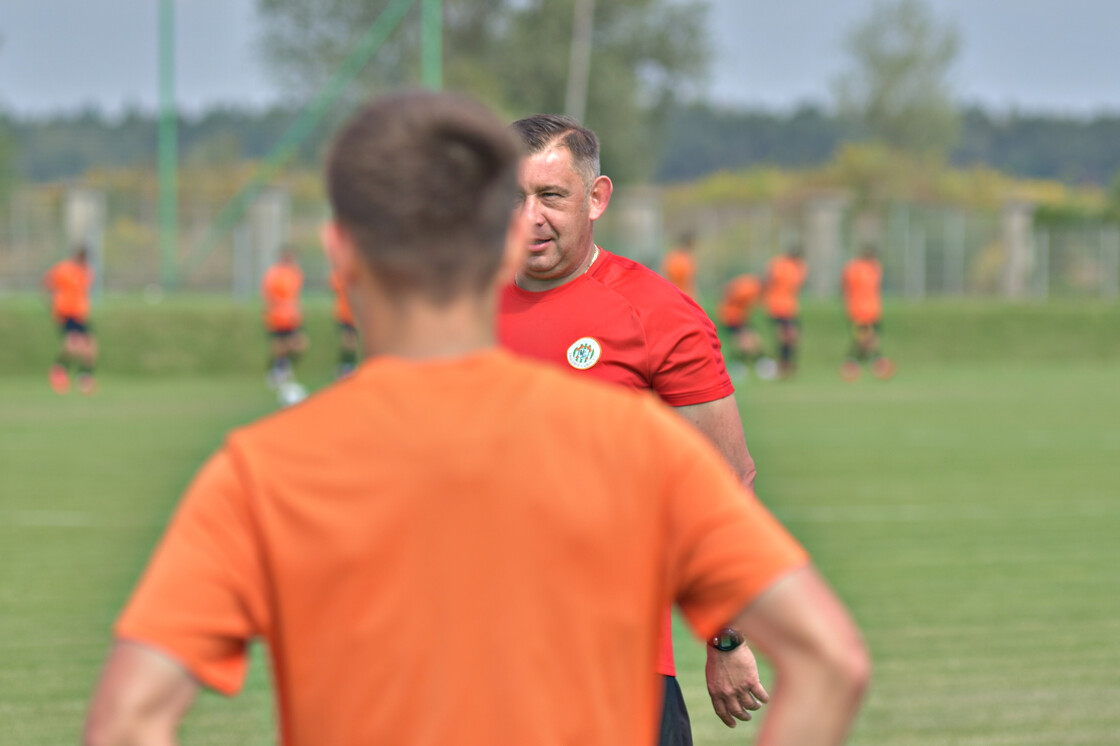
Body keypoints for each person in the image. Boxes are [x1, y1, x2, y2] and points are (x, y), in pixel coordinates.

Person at [85, 91, 868, 746]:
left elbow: (129, 719)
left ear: (338, 250)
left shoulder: (268, 468)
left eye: (549, 199)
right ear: (493, 247)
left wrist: (725, 642)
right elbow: (830, 661)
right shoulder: (630, 447)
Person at [500, 114, 763, 744]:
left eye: (551, 196)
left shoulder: (658, 316)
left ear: (596, 198)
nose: (529, 216)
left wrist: (725, 634)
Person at [42, 245, 98, 395]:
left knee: (91, 346)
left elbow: (84, 292)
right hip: (66, 312)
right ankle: (58, 371)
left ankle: (84, 377)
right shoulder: (63, 269)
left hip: (80, 314)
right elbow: (47, 284)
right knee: (74, 344)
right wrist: (51, 303)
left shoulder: (87, 272)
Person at [841, 244, 894, 381]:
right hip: (860, 311)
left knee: (869, 341)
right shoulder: (854, 268)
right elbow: (846, 287)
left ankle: (857, 364)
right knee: (865, 341)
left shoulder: (875, 268)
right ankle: (865, 364)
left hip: (873, 311)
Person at [261, 246, 308, 387]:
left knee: (299, 344)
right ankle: (277, 371)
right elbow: (269, 295)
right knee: (280, 345)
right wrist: (279, 307)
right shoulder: (273, 273)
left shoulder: (296, 273)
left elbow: (295, 294)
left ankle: (283, 367)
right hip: (277, 317)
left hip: (292, 317)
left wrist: (298, 308)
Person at [716, 273, 774, 380]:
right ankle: (738, 365)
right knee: (744, 341)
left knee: (752, 338)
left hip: (740, 316)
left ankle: (756, 362)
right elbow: (730, 292)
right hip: (731, 316)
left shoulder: (754, 287)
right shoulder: (751, 288)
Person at [763, 244, 808, 379]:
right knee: (786, 336)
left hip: (790, 308)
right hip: (777, 306)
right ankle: (780, 365)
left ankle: (785, 365)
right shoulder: (779, 264)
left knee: (792, 337)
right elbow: (768, 281)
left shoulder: (799, 266)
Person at [329, 268, 359, 378]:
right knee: (348, 341)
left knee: (352, 342)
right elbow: (334, 286)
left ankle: (349, 366)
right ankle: (345, 367)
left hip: (354, 314)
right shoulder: (340, 275)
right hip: (344, 314)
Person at [662, 231, 698, 298]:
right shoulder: (687, 260)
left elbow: (665, 275)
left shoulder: (671, 256)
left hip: (672, 294)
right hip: (685, 296)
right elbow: (688, 280)